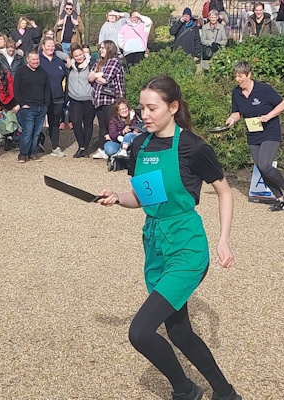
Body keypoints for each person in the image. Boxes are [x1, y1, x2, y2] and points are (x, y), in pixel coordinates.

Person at [98, 75, 241, 400]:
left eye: (152, 108)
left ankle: (184, 390)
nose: (144, 114)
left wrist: (223, 239)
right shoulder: (139, 146)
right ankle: (225, 393)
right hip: (156, 246)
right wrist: (118, 197)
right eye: (142, 108)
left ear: (173, 107)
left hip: (187, 247)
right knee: (180, 333)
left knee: (141, 332)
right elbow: (141, 197)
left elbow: (224, 191)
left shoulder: (193, 146)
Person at [226, 61, 284, 211]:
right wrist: (231, 120)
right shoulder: (236, 93)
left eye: (240, 76)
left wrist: (269, 116)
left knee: (265, 164)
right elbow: (237, 113)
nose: (238, 80)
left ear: (249, 74)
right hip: (253, 133)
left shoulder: (264, 90)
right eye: (235, 77)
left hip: (270, 131)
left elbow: (282, 104)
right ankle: (279, 199)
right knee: (261, 167)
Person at [88, 40, 125, 159]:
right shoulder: (99, 62)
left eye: (103, 48)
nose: (100, 50)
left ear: (109, 48)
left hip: (111, 99)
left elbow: (106, 79)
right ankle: (102, 148)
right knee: (102, 125)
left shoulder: (114, 61)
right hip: (99, 99)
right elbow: (89, 77)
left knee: (112, 125)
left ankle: (114, 148)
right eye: (100, 48)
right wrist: (97, 75)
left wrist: (95, 75)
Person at [13, 49, 50, 163]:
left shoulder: (43, 72)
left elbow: (47, 89)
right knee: (27, 131)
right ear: (27, 60)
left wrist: (46, 104)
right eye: (33, 59)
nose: (35, 61)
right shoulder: (21, 72)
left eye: (37, 59)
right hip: (27, 107)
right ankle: (23, 154)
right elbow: (16, 89)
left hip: (41, 107)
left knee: (37, 132)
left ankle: (33, 153)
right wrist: (22, 103)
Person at [39, 37, 68, 157]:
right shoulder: (38, 60)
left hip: (57, 97)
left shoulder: (59, 61)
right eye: (48, 46)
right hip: (41, 98)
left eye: (52, 46)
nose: (51, 48)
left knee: (55, 123)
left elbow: (65, 78)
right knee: (37, 123)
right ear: (43, 47)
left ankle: (55, 147)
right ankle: (35, 145)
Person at [66, 44, 95, 158]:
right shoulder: (70, 65)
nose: (79, 57)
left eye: (80, 55)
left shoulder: (91, 64)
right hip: (75, 99)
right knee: (76, 122)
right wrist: (67, 58)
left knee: (88, 123)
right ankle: (81, 146)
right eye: (76, 56)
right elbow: (58, 52)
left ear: (84, 53)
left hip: (88, 99)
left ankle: (85, 147)